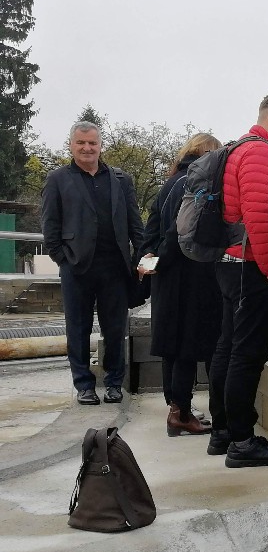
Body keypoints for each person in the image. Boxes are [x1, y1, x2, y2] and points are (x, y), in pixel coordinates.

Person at [207, 93, 268, 467]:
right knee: (247, 353)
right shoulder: (261, 153)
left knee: (229, 347)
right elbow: (260, 216)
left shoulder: (243, 149)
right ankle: (242, 442)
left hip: (234, 263)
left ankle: (223, 432)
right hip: (251, 265)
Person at [42, 121, 144, 406]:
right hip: (77, 268)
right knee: (78, 328)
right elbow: (50, 227)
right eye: (81, 143)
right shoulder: (58, 179)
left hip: (115, 268)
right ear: (71, 145)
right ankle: (84, 385)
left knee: (115, 329)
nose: (87, 148)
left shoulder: (121, 179)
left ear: (100, 145)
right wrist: (63, 258)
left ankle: (113, 383)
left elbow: (136, 225)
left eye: (92, 143)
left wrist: (142, 256)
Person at [139, 133, 223, 436]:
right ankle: (186, 413)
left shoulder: (169, 184)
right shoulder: (198, 184)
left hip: (165, 278)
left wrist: (152, 262)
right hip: (191, 275)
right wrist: (166, 257)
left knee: (172, 347)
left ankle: (176, 410)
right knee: (191, 345)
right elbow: (180, 232)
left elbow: (151, 231)